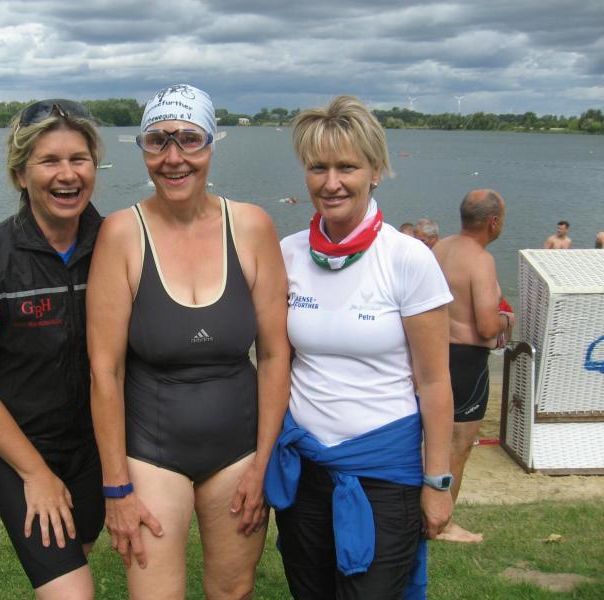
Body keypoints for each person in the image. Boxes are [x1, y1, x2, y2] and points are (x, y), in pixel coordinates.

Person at [87, 84, 290, 599]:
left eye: (189, 139)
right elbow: (105, 371)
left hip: (239, 452)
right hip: (151, 453)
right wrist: (117, 486)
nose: (173, 158)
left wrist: (263, 463)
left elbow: (274, 355)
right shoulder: (121, 234)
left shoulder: (251, 226)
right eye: (157, 141)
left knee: (233, 590)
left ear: (211, 144)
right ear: (143, 149)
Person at [264, 95, 454, 599]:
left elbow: (435, 382)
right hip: (305, 471)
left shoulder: (408, 259)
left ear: (375, 171)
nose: (331, 183)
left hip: (385, 475)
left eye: (346, 167)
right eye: (318, 168)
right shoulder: (287, 255)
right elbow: (276, 362)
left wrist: (438, 483)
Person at [0, 100, 105, 599]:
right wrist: (36, 473)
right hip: (19, 447)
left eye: (78, 159)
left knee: (76, 559)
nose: (67, 174)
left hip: (96, 444)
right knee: (72, 592)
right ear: (19, 175)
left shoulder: (117, 243)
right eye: (49, 161)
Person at [432, 189, 514, 544]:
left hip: (432, 354)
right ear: (493, 222)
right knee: (458, 446)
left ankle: (422, 512)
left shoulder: (441, 248)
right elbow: (486, 326)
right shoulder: (481, 260)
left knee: (429, 440)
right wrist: (506, 321)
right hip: (466, 362)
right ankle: (443, 523)